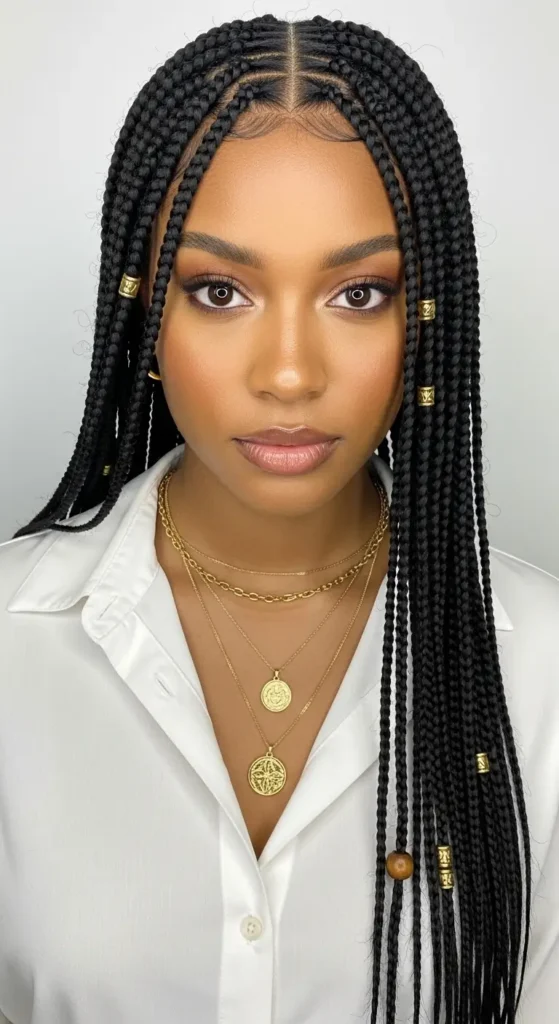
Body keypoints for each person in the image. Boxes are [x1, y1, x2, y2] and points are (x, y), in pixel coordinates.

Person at [0, 12, 557, 1024]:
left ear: (424, 318)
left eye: (358, 294)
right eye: (220, 291)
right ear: (144, 312)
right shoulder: (10, 645)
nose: (290, 374)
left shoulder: (543, 672)